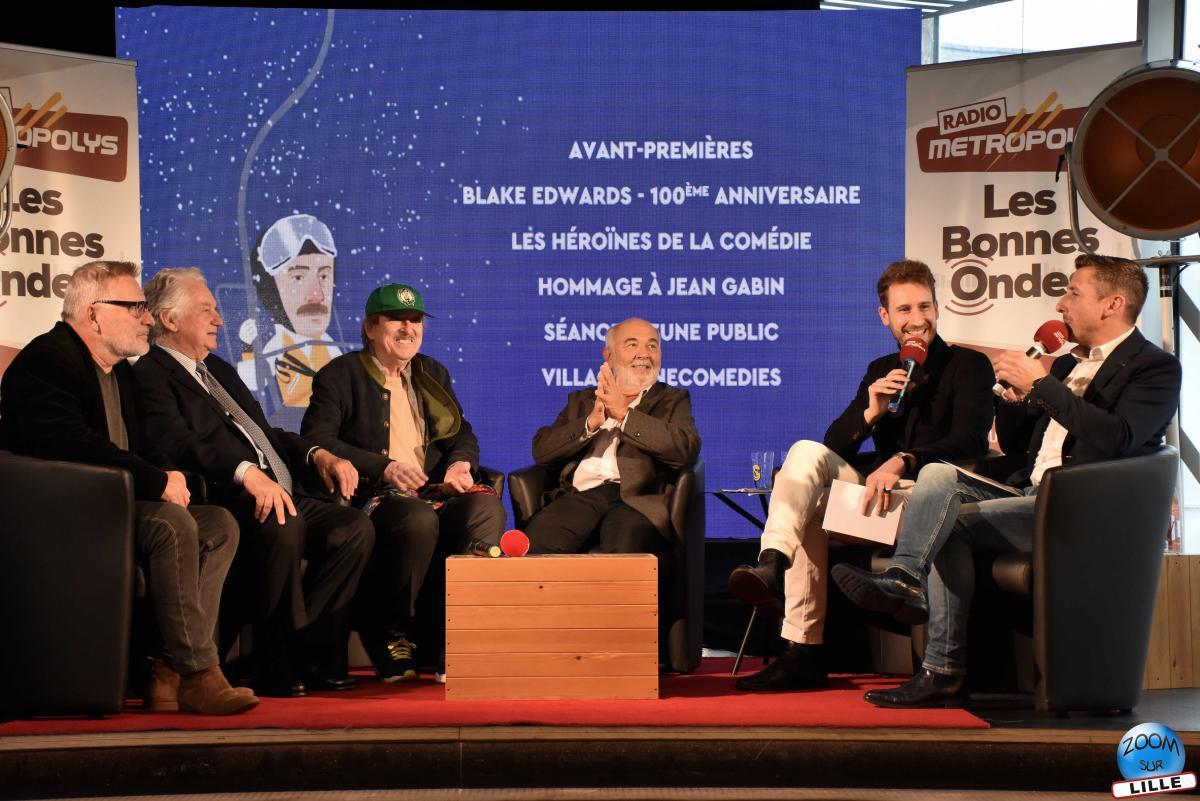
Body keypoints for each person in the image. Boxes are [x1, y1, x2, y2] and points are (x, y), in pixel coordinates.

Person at [833, 254, 1181, 708]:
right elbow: (1020, 447)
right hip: (1030, 493)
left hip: (1081, 507)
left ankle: (929, 642)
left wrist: (1044, 387)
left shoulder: (1154, 367)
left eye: (1073, 293)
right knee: (938, 478)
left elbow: (1120, 437)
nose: (1061, 304)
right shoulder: (1066, 365)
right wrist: (1015, 400)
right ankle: (912, 596)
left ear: (1112, 304)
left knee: (948, 520)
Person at [0, 260, 257, 715]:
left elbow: (144, 445)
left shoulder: (120, 371)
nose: (148, 318)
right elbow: (70, 444)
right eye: (135, 307)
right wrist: (156, 481)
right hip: (63, 511)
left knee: (219, 525)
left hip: (116, 506)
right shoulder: (47, 360)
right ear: (94, 314)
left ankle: (165, 669)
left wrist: (169, 475)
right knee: (171, 524)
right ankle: (199, 673)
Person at [729, 259, 995, 693]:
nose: (917, 320)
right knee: (805, 454)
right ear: (884, 316)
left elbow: (970, 442)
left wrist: (905, 459)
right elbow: (834, 446)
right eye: (904, 310)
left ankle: (798, 637)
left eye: (924, 307)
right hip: (880, 501)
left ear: (937, 308)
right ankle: (777, 576)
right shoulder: (881, 369)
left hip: (933, 502)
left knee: (814, 506)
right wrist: (870, 412)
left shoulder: (969, 365)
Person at [135, 268, 374, 698]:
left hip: (280, 488)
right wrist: (247, 473)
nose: (218, 320)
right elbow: (175, 441)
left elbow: (264, 434)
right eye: (206, 311)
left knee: (352, 528)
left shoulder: (217, 370)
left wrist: (316, 453)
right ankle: (274, 665)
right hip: (224, 496)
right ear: (169, 320)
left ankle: (312, 652)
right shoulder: (149, 372)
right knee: (283, 522)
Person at [302, 284, 505, 681]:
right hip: (374, 496)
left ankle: (459, 635)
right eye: (397, 319)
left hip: (434, 491)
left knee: (486, 508)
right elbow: (318, 439)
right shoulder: (339, 375)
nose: (408, 328)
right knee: (416, 519)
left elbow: (462, 433)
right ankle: (389, 630)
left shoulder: (432, 372)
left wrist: (459, 465)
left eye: (415, 320)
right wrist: (384, 467)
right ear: (370, 328)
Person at [525, 318, 701, 557]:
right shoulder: (582, 400)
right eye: (632, 345)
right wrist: (590, 423)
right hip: (581, 496)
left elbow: (686, 448)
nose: (644, 354)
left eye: (652, 346)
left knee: (623, 552)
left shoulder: (671, 399)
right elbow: (542, 450)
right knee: (538, 542)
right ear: (609, 356)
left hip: (636, 501)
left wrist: (625, 415)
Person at [237, 214, 343, 415]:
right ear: (271, 290)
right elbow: (252, 382)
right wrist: (248, 348)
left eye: (324, 275)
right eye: (298, 278)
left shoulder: (332, 350)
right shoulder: (279, 347)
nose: (317, 295)